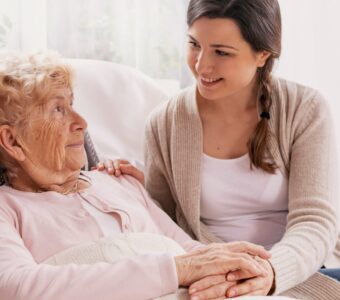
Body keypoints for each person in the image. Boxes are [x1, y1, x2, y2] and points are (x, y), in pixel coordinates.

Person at [101, 0, 340, 299]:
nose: (201, 65)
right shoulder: (163, 124)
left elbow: (315, 221)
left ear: (263, 54)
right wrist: (138, 192)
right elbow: (165, 228)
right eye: (194, 44)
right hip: (210, 273)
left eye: (221, 52)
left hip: (296, 268)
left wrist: (270, 272)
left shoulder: (305, 109)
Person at [0, 52, 279, 300]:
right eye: (58, 109)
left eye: (73, 104)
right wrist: (175, 269)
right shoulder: (6, 208)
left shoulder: (121, 180)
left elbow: (189, 251)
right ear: (12, 141)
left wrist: (236, 267)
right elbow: (16, 287)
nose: (82, 123)